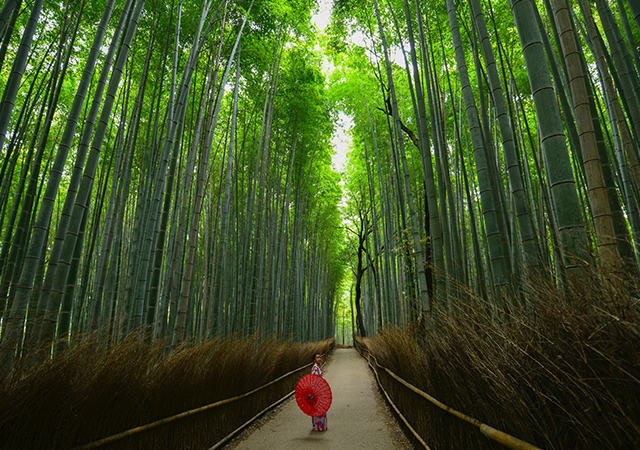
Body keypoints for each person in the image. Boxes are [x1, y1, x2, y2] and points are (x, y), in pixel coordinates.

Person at [311, 353, 327, 431]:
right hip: (318, 391)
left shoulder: (317, 367)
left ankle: (320, 426)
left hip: (320, 390)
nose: (319, 359)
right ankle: (319, 427)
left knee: (320, 408)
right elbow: (316, 380)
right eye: (317, 357)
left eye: (320, 357)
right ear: (314, 360)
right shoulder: (315, 368)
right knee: (319, 408)